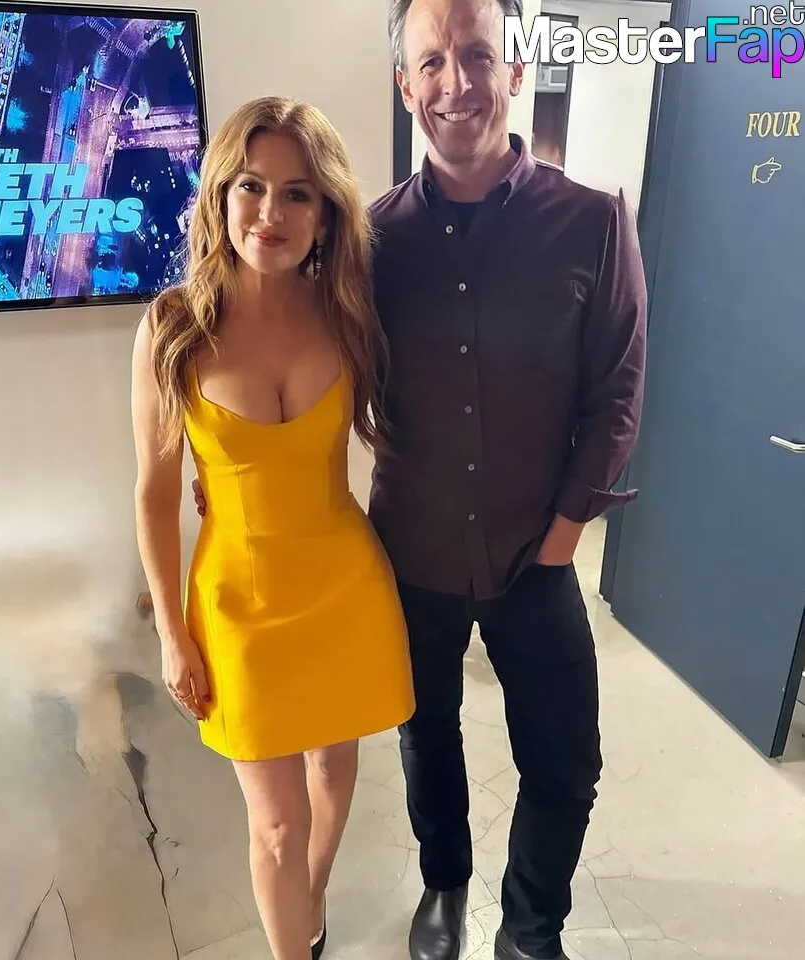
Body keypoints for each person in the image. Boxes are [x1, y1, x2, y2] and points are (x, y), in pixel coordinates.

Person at [196, 1, 647, 956]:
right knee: (425, 735)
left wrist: (564, 536)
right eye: (431, 61)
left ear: (515, 69)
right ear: (405, 85)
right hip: (409, 553)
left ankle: (530, 930)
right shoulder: (365, 244)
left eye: (477, 55)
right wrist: (224, 466)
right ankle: (444, 885)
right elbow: (282, 344)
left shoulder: (592, 222)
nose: (456, 82)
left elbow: (617, 392)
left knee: (565, 763)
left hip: (539, 552)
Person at [131, 96, 415, 960]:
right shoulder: (174, 326)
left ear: (325, 212)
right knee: (277, 824)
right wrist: (172, 634)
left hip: (345, 586)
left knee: (335, 769)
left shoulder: (347, 314)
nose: (270, 212)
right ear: (220, 193)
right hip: (239, 604)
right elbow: (154, 494)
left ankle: (310, 904)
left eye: (298, 193)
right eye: (251, 186)